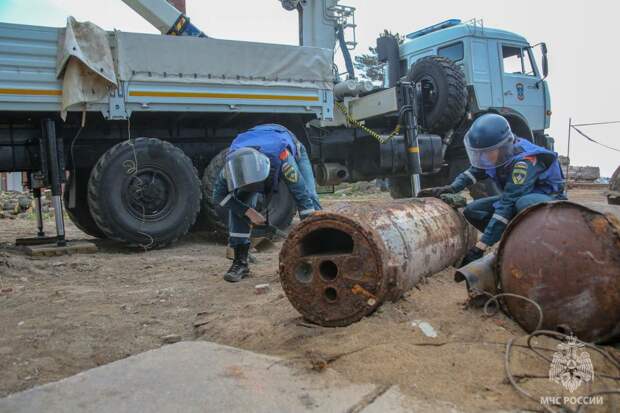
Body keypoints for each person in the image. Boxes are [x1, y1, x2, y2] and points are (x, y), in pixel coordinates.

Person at [418, 113, 565, 266]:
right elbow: (474, 172)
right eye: (480, 153)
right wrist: (451, 188)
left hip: (548, 200)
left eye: (488, 153)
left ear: (503, 147)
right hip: (518, 197)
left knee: (522, 203)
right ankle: (511, 239)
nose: (484, 157)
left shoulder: (524, 163)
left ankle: (537, 246)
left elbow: (507, 204)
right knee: (472, 210)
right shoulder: (497, 154)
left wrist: (480, 247)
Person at [213, 124, 321, 282]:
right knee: (240, 203)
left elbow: (302, 199)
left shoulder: (284, 162)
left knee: (310, 197)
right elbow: (218, 196)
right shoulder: (231, 167)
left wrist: (310, 234)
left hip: (288, 145)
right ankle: (240, 262)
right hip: (257, 143)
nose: (252, 190)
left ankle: (319, 250)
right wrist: (247, 211)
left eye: (253, 186)